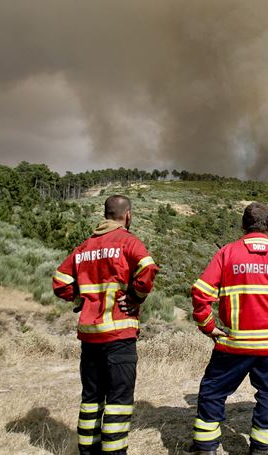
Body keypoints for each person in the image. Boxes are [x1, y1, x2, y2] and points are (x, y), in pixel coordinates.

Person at [186, 202, 268, 455]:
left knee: (213, 391)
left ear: (243, 225)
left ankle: (206, 448)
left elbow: (201, 292)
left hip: (233, 343)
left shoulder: (227, 254)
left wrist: (208, 327)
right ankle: (260, 449)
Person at [53, 195, 158, 455]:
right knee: (119, 402)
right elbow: (148, 269)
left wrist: (78, 298)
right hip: (119, 335)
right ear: (128, 215)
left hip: (89, 338)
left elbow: (59, 280)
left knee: (91, 400)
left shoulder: (84, 247)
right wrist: (134, 298)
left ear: (105, 214)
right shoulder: (128, 242)